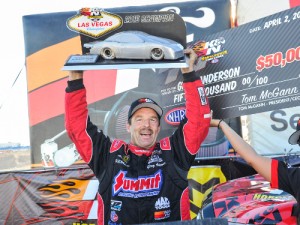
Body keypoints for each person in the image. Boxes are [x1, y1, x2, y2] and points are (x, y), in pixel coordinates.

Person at [65, 49, 211, 225]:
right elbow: (77, 128)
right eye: (139, 119)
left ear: (158, 127)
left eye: (152, 120)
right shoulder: (108, 155)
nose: (146, 125)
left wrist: (188, 74)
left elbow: (198, 120)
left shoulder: (174, 152)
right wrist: (75, 81)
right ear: (128, 126)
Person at [210, 117, 300, 218]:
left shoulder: (295, 177)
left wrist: (221, 124)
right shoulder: (295, 177)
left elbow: (252, 158)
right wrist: (221, 124)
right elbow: (252, 158)